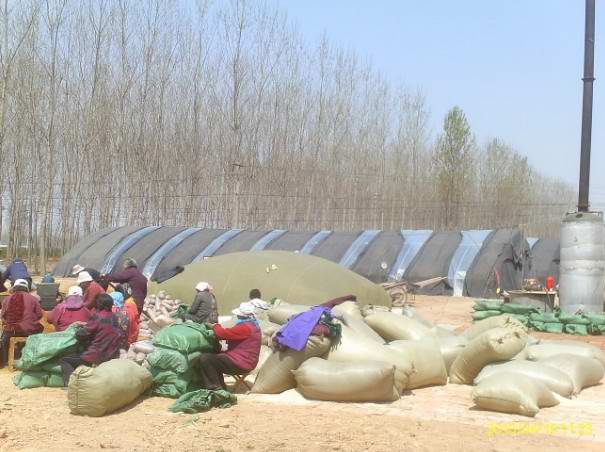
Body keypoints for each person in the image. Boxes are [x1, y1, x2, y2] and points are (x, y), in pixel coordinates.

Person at [60, 293, 125, 385]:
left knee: (65, 360)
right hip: (111, 353)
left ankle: (70, 385)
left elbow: (83, 333)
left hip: (96, 354)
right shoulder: (114, 317)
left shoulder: (97, 316)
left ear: (98, 304)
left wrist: (77, 331)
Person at [196, 302, 261, 390]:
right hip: (247, 361)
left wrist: (215, 325)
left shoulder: (245, 328)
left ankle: (215, 388)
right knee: (215, 357)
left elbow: (222, 333)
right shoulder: (253, 326)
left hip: (241, 363)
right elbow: (231, 334)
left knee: (206, 359)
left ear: (240, 316)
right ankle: (220, 386)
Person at [0, 279, 43, 368]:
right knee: (39, 330)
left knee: (4, 339)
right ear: (27, 288)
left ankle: (5, 362)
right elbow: (39, 315)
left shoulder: (7, 299)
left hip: (10, 331)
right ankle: (32, 358)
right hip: (28, 331)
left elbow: (3, 316)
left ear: (14, 287)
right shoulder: (33, 299)